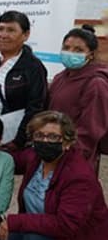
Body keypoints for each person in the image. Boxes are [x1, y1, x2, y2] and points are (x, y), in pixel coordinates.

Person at [0, 111, 108, 240]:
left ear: (66, 142)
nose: (45, 141)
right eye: (39, 135)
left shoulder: (78, 175)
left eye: (53, 136)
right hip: (45, 231)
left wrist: (16, 222)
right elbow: (10, 160)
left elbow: (66, 225)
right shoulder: (35, 158)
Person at [0, 11, 47, 148]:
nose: (4, 35)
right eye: (0, 29)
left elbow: (35, 108)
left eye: (11, 30)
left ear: (26, 35)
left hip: (8, 139)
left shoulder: (33, 67)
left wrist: (18, 141)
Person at [47, 25, 108, 170]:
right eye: (66, 47)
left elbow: (91, 130)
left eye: (78, 50)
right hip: (49, 149)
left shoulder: (96, 83)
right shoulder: (60, 78)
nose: (70, 53)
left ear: (91, 55)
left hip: (75, 157)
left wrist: (69, 153)